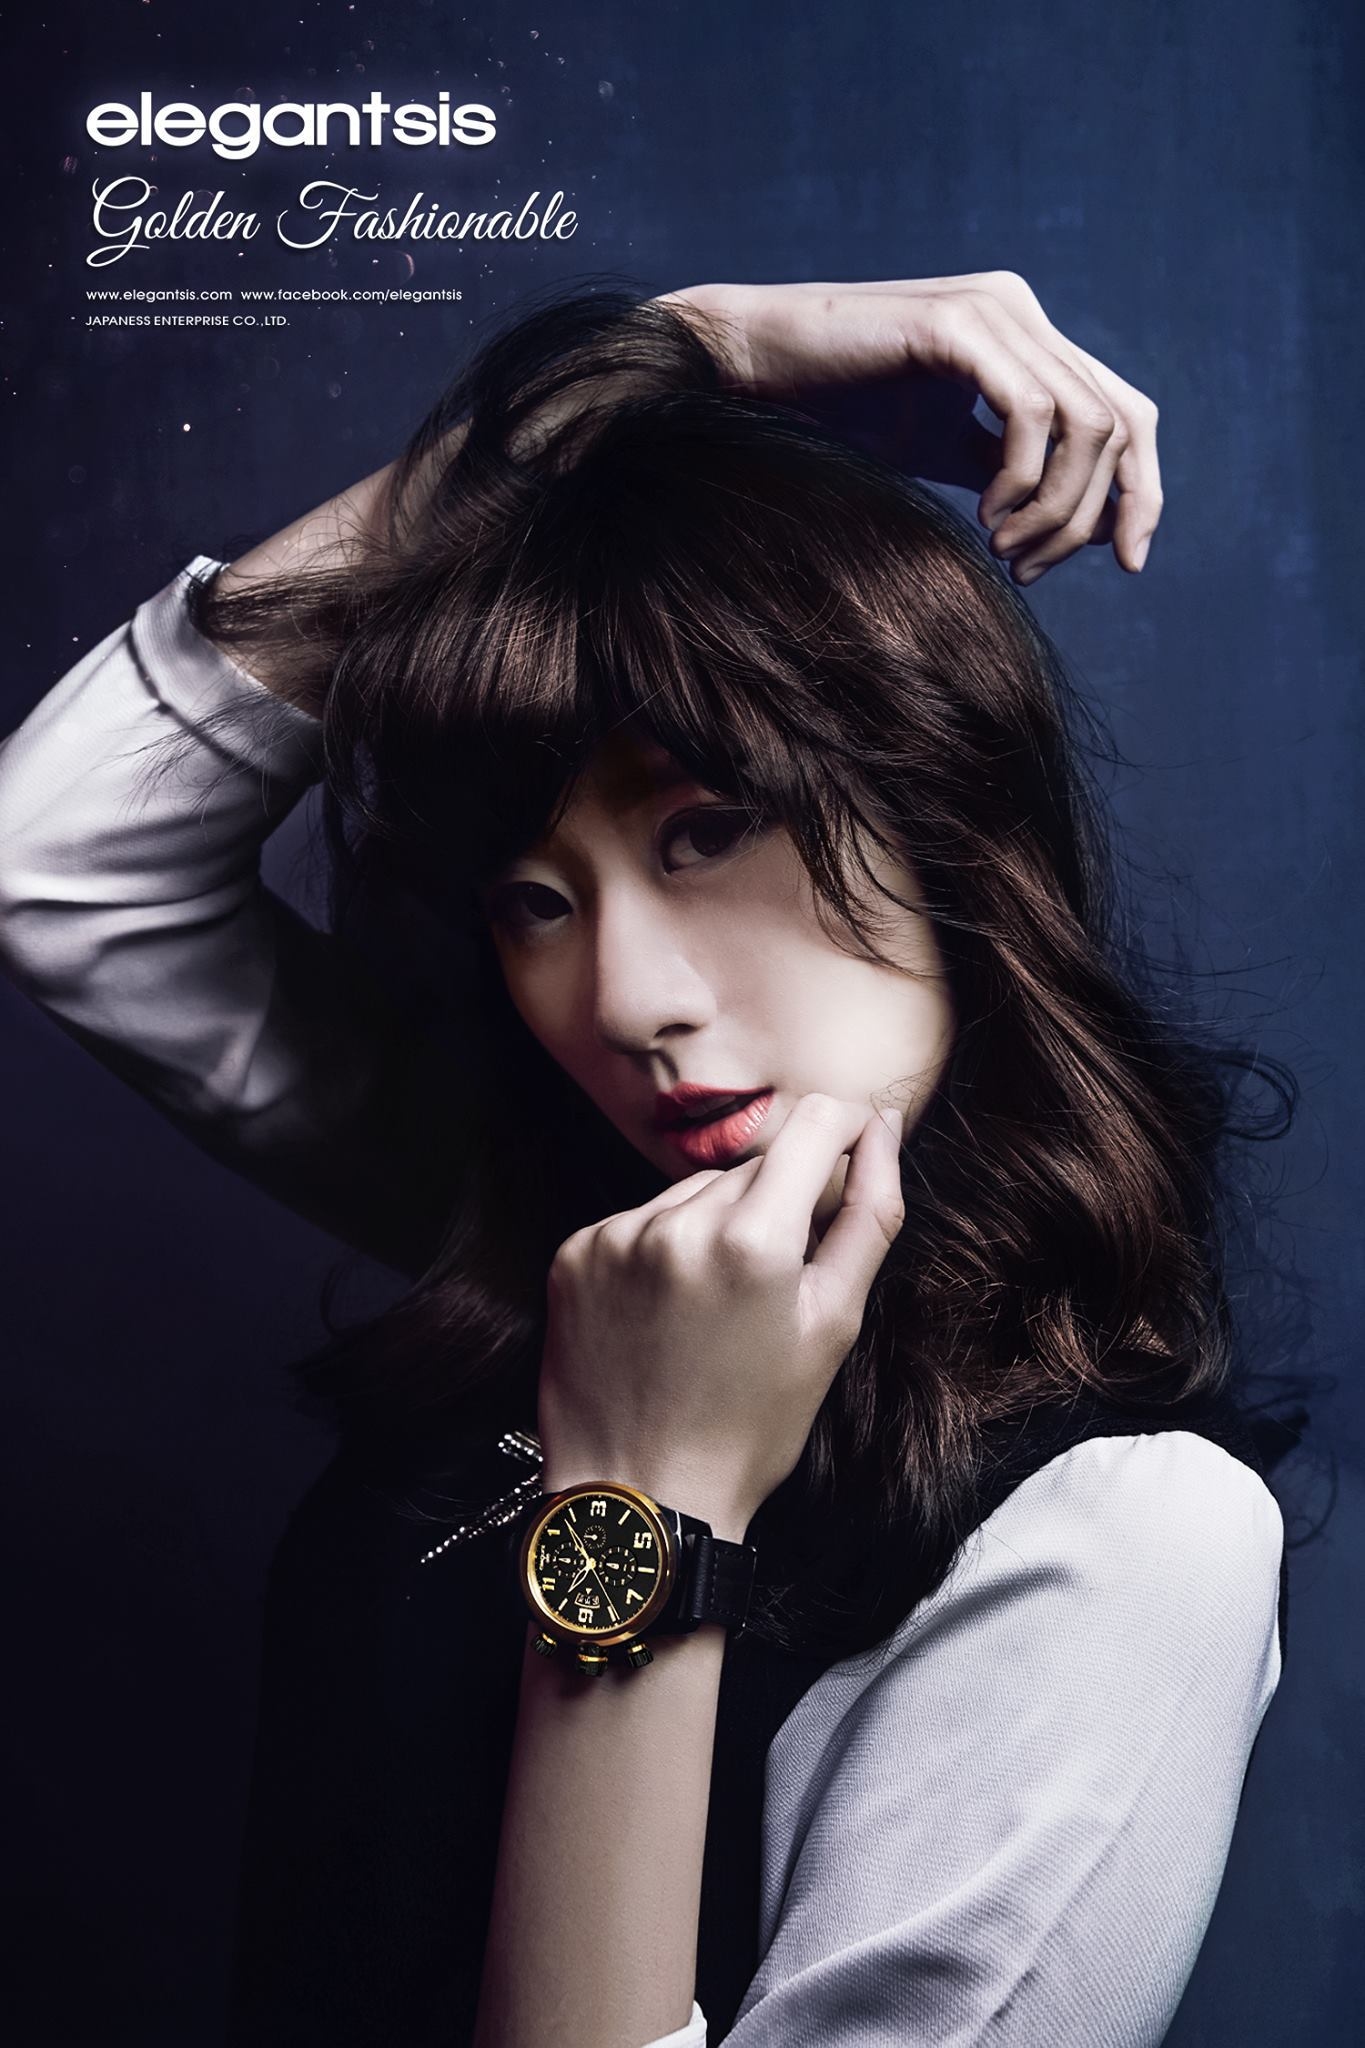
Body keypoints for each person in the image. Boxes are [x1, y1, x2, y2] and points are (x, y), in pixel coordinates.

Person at [0, 275, 1289, 2048]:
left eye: (706, 833)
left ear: (937, 810)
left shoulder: (1119, 1536)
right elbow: (59, 863)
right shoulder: (563, 1223)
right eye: (533, 902)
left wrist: (653, 1500)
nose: (626, 1001)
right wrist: (674, 358)